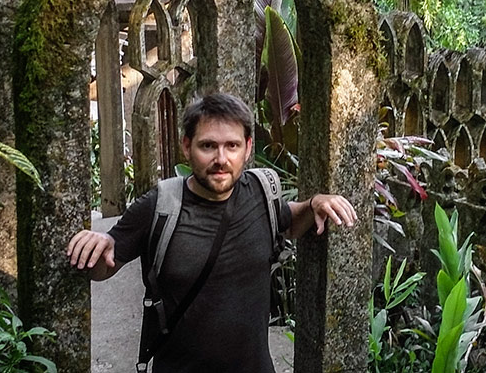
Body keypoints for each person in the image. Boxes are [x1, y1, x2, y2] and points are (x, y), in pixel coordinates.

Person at [66, 93, 357, 372]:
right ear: (186, 146)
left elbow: (290, 222)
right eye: (208, 146)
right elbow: (106, 264)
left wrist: (314, 203)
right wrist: (97, 245)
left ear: (248, 147)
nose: (221, 158)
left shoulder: (260, 193)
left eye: (232, 146)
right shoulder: (160, 205)